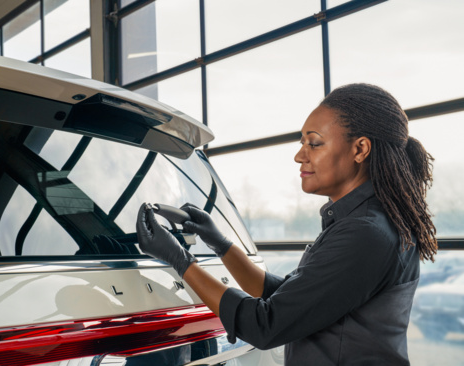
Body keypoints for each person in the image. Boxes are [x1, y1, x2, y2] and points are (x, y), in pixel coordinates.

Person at [136, 83, 437, 366]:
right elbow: (288, 297)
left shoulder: (365, 233)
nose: (299, 155)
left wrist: (180, 260)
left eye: (314, 144)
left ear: (360, 149)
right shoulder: (366, 222)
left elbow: (266, 325)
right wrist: (220, 244)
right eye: (302, 143)